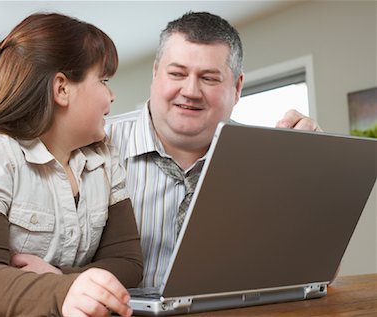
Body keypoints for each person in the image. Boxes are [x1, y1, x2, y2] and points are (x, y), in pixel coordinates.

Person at [0, 13, 142, 317]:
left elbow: (128, 264)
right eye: (104, 81)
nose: (111, 95)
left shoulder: (104, 158)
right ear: (62, 89)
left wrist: (57, 275)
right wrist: (65, 290)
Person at [104, 11, 322, 288]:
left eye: (209, 78)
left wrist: (312, 174)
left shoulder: (269, 160)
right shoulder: (95, 145)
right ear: (156, 73)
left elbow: (313, 272)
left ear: (237, 87)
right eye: (177, 73)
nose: (191, 90)